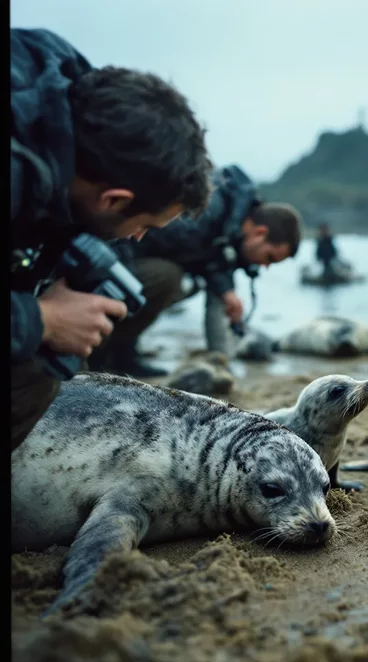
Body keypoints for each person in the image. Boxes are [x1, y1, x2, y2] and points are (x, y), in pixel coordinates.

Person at [11, 27, 213, 452]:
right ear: (113, 199)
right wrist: (42, 319)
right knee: (35, 371)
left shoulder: (65, 121)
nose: (138, 238)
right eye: (144, 226)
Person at [89, 164, 303, 374]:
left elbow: (209, 257)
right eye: (269, 258)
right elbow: (132, 235)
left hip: (133, 261)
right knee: (169, 277)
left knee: (192, 283)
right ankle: (99, 349)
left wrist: (226, 291)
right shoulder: (208, 211)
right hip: (109, 255)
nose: (265, 266)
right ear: (259, 232)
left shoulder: (230, 226)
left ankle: (123, 351)